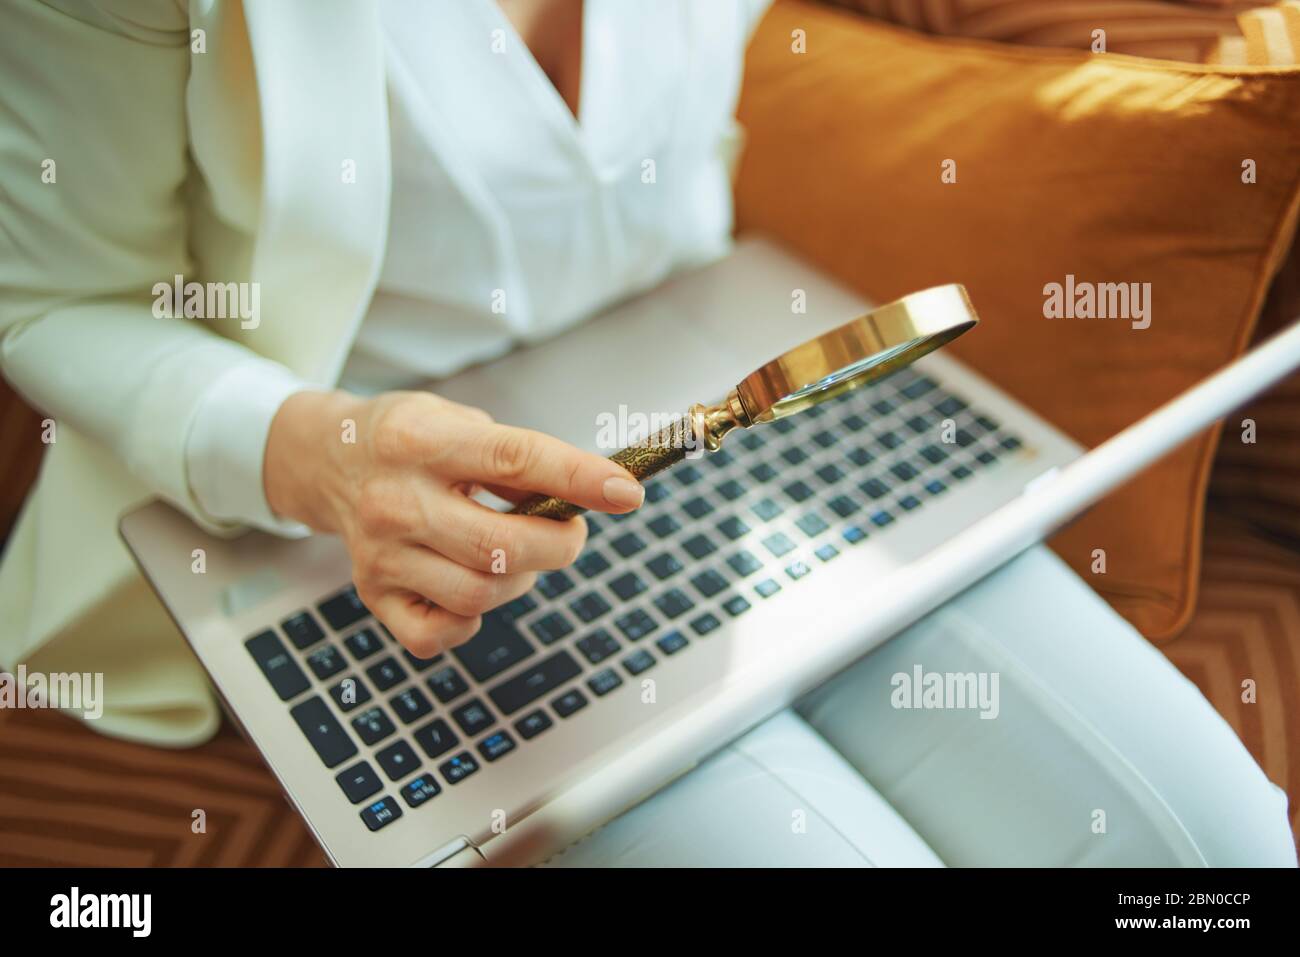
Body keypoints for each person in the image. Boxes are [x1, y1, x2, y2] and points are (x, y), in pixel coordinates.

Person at [0, 0, 1292, 866]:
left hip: (727, 427)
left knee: (1221, 847)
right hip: (366, 545)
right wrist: (321, 455)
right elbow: (54, 296)